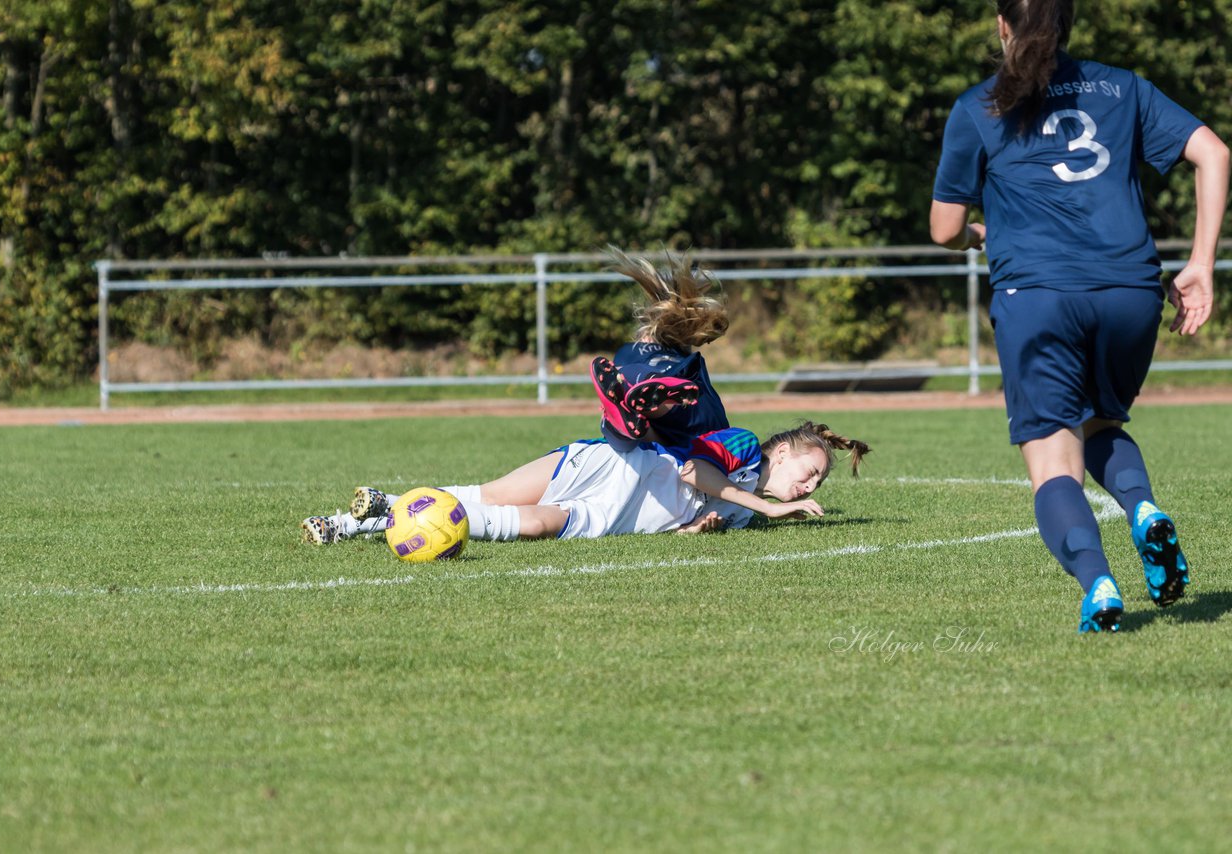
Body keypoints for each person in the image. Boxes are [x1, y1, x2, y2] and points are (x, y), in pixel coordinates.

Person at [929, 0, 1229, 632]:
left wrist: (977, 237)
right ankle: (1143, 510)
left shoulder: (978, 106)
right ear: (1067, 25)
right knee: (1099, 421)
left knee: (1051, 459)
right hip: (1129, 291)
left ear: (1002, 24)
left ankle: (1099, 585)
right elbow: (1215, 152)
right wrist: (1200, 262)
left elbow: (944, 228)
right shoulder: (1123, 86)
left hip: (1038, 296)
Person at [301, 412, 871, 545]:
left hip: (620, 516)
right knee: (491, 495)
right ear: (786, 449)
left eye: (817, 485)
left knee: (532, 526)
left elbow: (687, 512)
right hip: (615, 465)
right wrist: (773, 508)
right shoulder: (744, 447)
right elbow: (694, 468)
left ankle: (369, 518)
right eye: (811, 470)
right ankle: (360, 517)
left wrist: (697, 530)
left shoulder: (745, 510)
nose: (810, 486)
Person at [591, 246, 732, 445]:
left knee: (621, 384)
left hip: (668, 410)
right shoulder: (685, 359)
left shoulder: (632, 352)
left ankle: (645, 389)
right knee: (636, 425)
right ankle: (643, 399)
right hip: (709, 426)